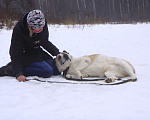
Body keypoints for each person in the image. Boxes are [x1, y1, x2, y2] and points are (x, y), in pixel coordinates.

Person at [0, 10, 61, 82]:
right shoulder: (19, 29)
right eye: (37, 30)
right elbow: (15, 52)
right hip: (25, 56)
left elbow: (45, 42)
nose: (41, 30)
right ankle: (12, 69)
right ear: (30, 26)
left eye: (42, 28)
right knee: (47, 71)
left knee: (58, 69)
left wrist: (58, 53)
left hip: (37, 53)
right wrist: (19, 73)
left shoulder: (42, 23)